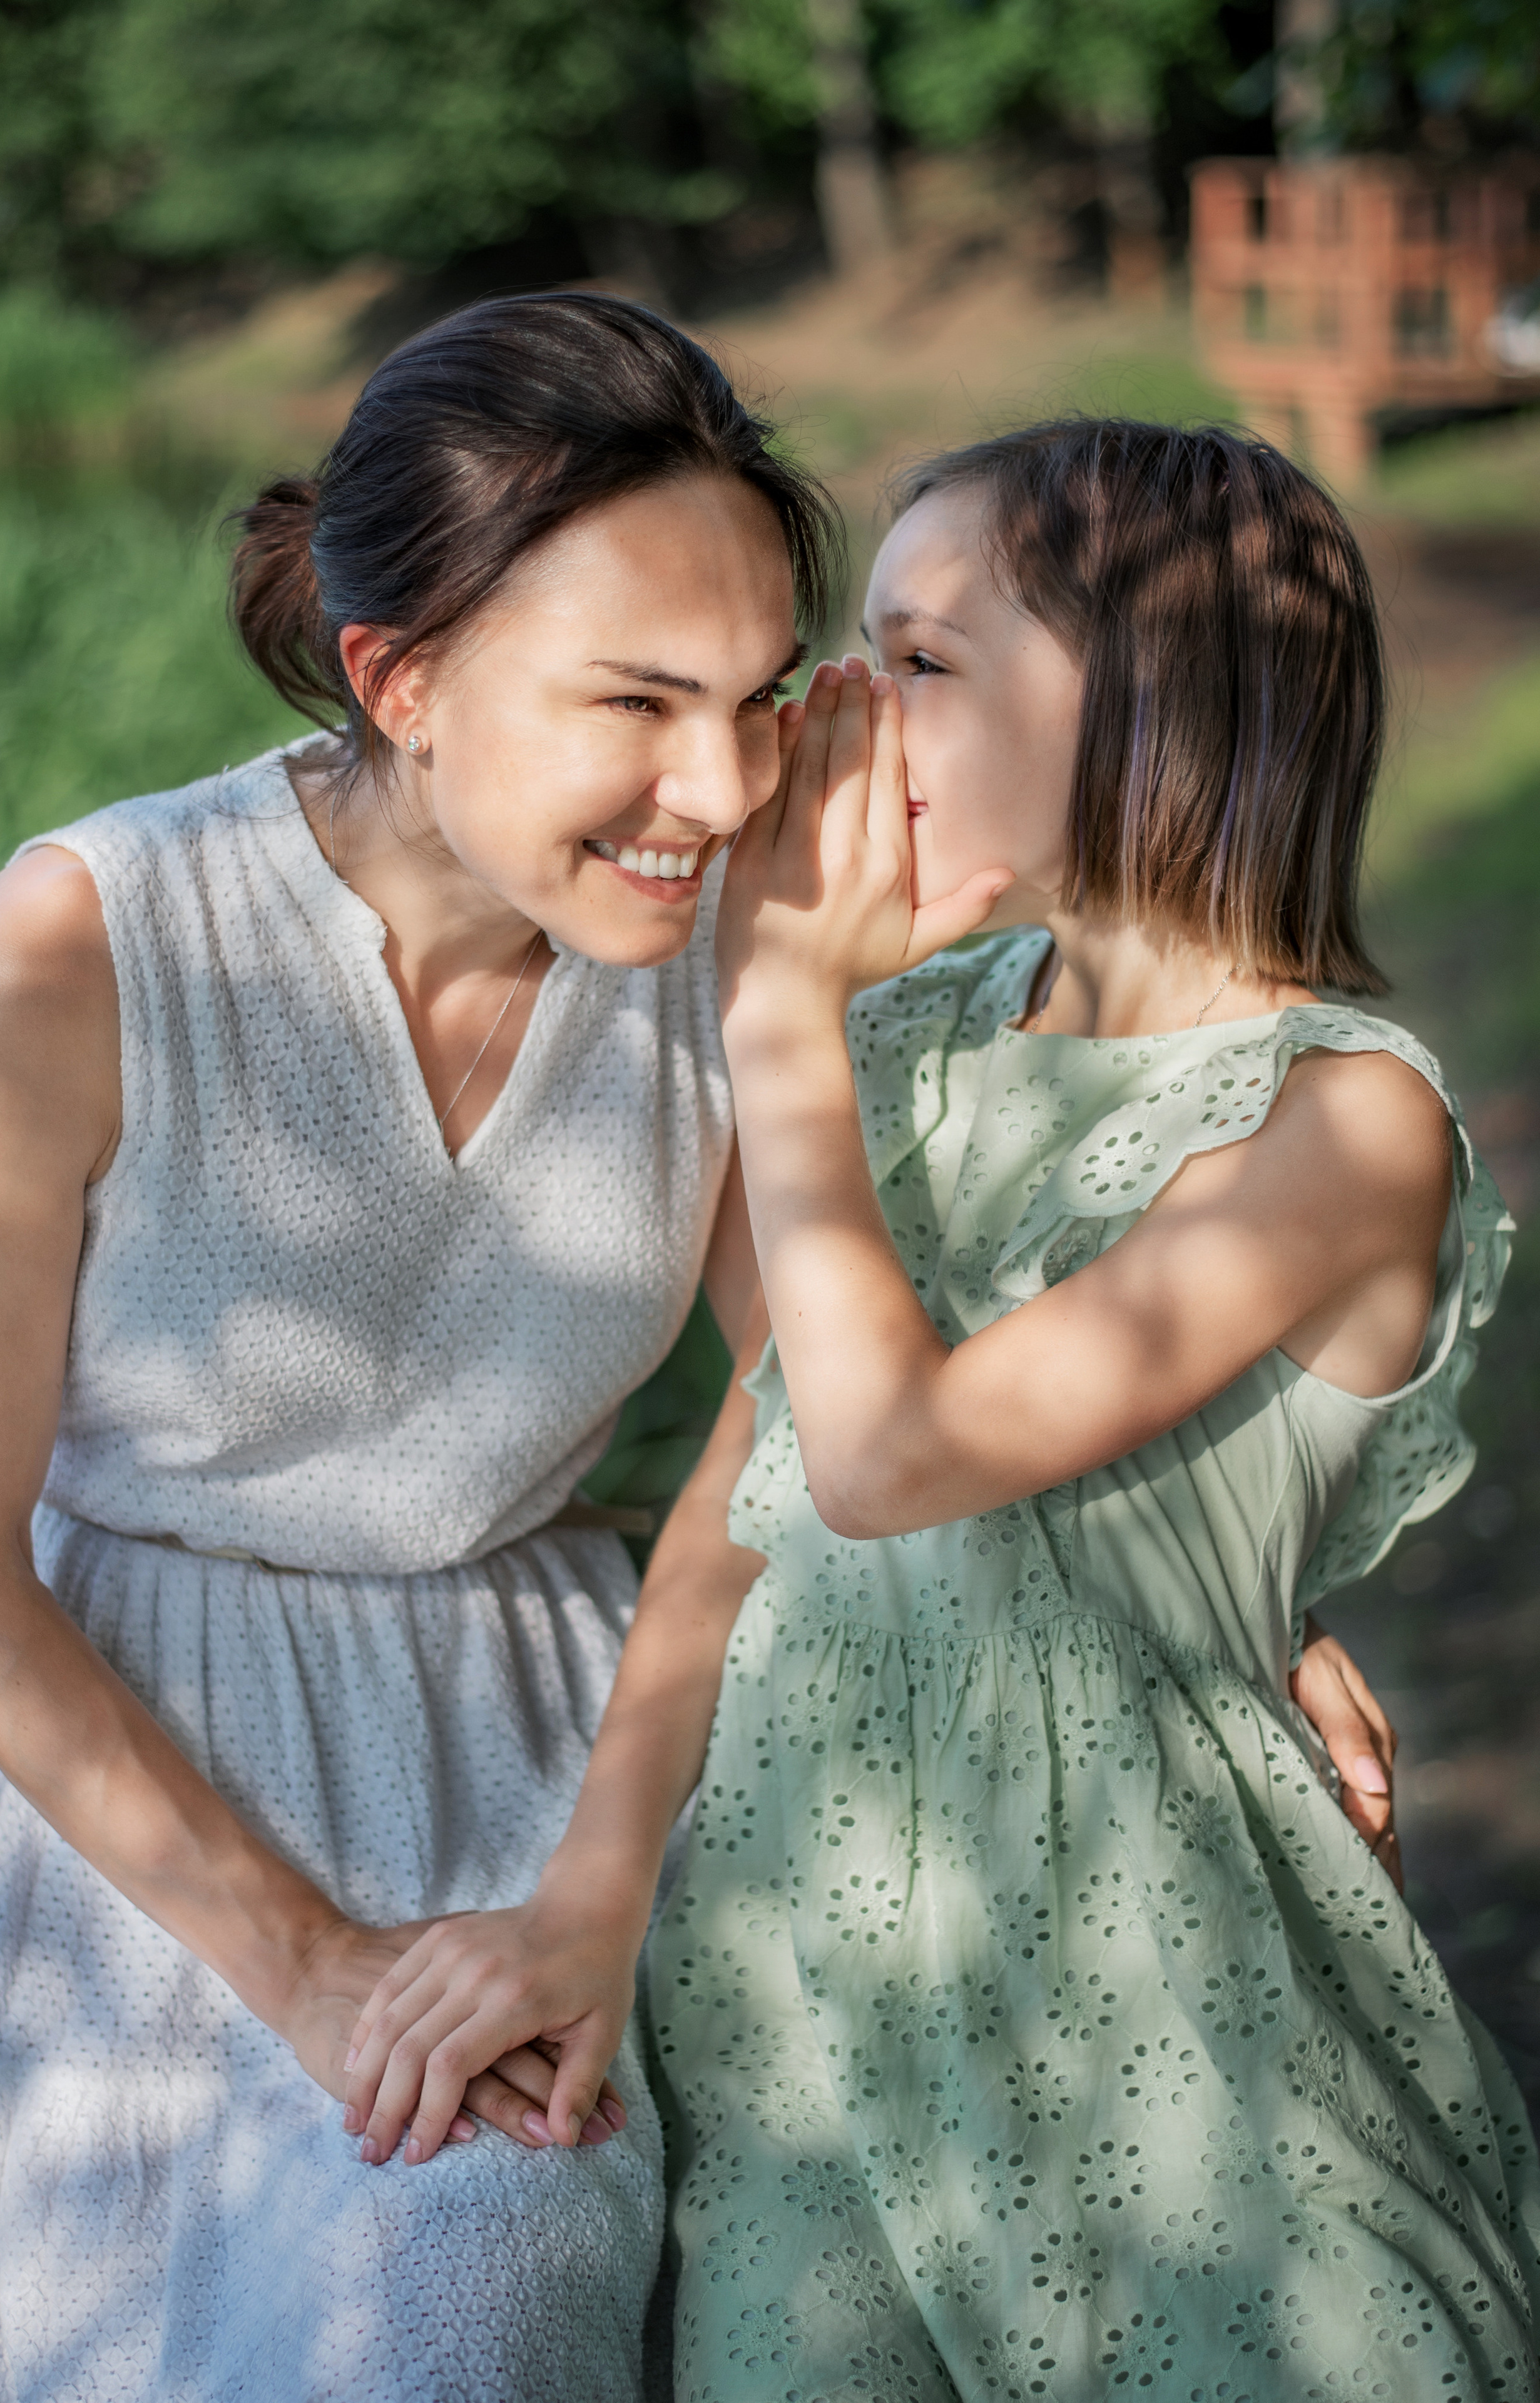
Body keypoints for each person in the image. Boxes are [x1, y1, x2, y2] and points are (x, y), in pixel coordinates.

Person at [340, 420, 1539, 2399]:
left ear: (1155, 701)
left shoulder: (1345, 1120)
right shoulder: (900, 1047)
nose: (831, 715)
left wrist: (784, 1020)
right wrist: (585, 1904)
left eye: (918, 656)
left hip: (1148, 1966)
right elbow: (763, 1481)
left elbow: (896, 1461)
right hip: (804, 1985)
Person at [0, 291, 840, 2402]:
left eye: (760, 701)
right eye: (635, 702)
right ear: (401, 677)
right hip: (132, 1796)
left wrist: (597, 1896)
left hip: (545, 1756)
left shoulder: (733, 949)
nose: (714, 789)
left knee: (490, 2271)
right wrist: (316, 1974)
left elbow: (808, 1418)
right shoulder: (83, 944)